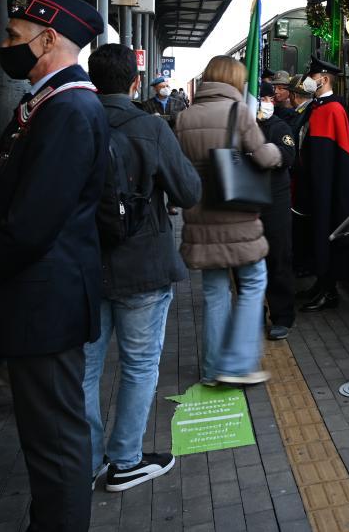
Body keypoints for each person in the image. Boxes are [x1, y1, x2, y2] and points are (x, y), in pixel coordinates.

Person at [0, 0, 107, 531]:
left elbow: (29, 226)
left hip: (45, 305)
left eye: (13, 35)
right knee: (49, 439)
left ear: (48, 38)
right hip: (39, 302)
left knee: (55, 444)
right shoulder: (49, 103)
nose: (4, 43)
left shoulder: (68, 109)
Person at [81, 44, 201, 491]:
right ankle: (126, 460)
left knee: (85, 370)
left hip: (85, 266)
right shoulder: (149, 126)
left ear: (93, 80)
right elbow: (188, 192)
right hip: (143, 266)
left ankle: (86, 460)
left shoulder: (73, 120)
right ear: (136, 82)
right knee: (138, 366)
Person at [175, 56, 280, 385]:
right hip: (237, 218)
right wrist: (276, 150)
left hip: (201, 217)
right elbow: (263, 157)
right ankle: (236, 364)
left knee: (214, 292)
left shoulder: (184, 117)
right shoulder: (239, 114)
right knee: (252, 283)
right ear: (234, 80)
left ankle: (211, 369)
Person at [294, 57, 349, 312]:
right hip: (315, 186)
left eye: (312, 76)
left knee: (326, 236)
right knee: (316, 235)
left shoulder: (333, 109)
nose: (308, 79)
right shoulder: (317, 107)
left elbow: (345, 156)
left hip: (328, 188)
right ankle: (321, 284)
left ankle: (328, 290)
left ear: (323, 79)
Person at [256, 81, 297, 339]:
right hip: (248, 202)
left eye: (268, 98)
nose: (265, 103)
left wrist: (261, 153)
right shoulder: (242, 125)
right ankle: (253, 314)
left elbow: (288, 155)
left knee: (278, 258)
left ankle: (282, 316)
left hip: (275, 203)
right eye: (261, 98)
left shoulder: (280, 127)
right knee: (249, 262)